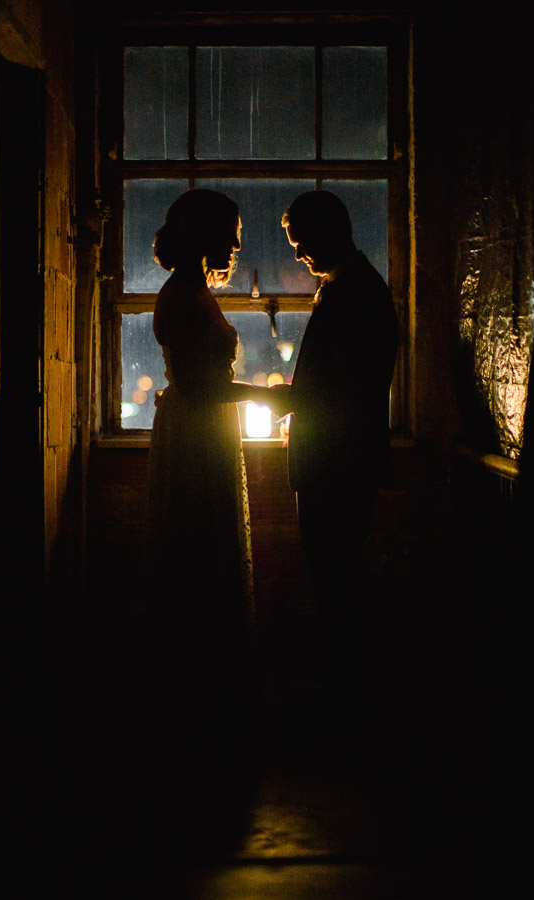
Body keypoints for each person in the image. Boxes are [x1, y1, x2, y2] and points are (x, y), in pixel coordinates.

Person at [147, 188, 273, 747]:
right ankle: (204, 691)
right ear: (206, 234)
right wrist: (275, 401)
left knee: (202, 546)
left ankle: (201, 687)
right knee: (202, 544)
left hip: (201, 428)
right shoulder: (183, 296)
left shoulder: (190, 291)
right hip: (199, 432)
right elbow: (200, 385)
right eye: (233, 231)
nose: (238, 243)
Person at [271, 190, 398, 723]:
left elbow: (339, 388)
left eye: (302, 244)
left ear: (331, 231)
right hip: (340, 458)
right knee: (338, 577)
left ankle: (343, 697)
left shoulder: (354, 294)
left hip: (336, 462)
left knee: (336, 579)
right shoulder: (353, 287)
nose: (300, 255)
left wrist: (273, 397)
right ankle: (345, 693)